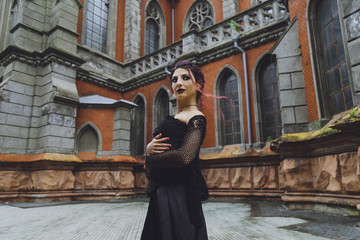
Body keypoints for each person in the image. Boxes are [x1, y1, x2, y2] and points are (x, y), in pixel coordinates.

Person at [141, 60, 209, 240]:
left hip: (180, 194)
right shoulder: (176, 116)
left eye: (185, 78)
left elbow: (184, 156)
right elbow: (150, 171)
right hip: (161, 192)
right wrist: (149, 150)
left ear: (198, 84)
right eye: (174, 79)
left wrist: (149, 158)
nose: (178, 83)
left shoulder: (196, 117)